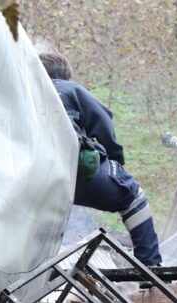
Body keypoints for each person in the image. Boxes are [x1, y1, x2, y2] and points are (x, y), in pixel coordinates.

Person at [39, 52, 162, 267]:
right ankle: (151, 270)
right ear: (66, 76)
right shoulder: (70, 89)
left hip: (34, 180)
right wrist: (115, 160)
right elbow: (103, 120)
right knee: (133, 197)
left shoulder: (23, 93)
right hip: (76, 173)